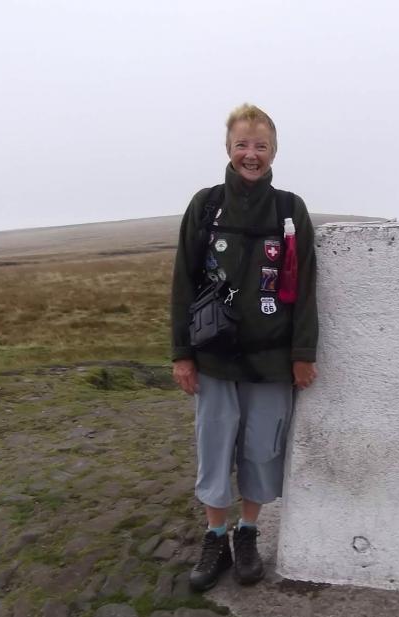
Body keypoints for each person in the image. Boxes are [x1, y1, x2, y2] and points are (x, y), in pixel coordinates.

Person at [169, 104, 318, 592]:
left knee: (259, 451)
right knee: (214, 448)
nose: (251, 155)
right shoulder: (206, 206)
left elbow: (308, 286)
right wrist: (182, 354)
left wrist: (302, 354)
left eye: (261, 146)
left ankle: (248, 533)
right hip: (214, 359)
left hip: (272, 361)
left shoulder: (290, 210)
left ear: (274, 151)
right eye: (242, 145)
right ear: (228, 149)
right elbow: (183, 283)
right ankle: (215, 536)